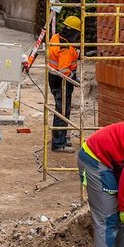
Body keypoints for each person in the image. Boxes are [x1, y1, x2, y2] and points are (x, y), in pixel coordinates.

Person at [47, 15, 81, 152]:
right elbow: (64, 69)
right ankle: (58, 143)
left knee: (62, 109)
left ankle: (62, 138)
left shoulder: (57, 37)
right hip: (62, 80)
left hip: (55, 78)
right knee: (62, 111)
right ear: (73, 31)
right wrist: (74, 79)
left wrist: (78, 53)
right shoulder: (65, 46)